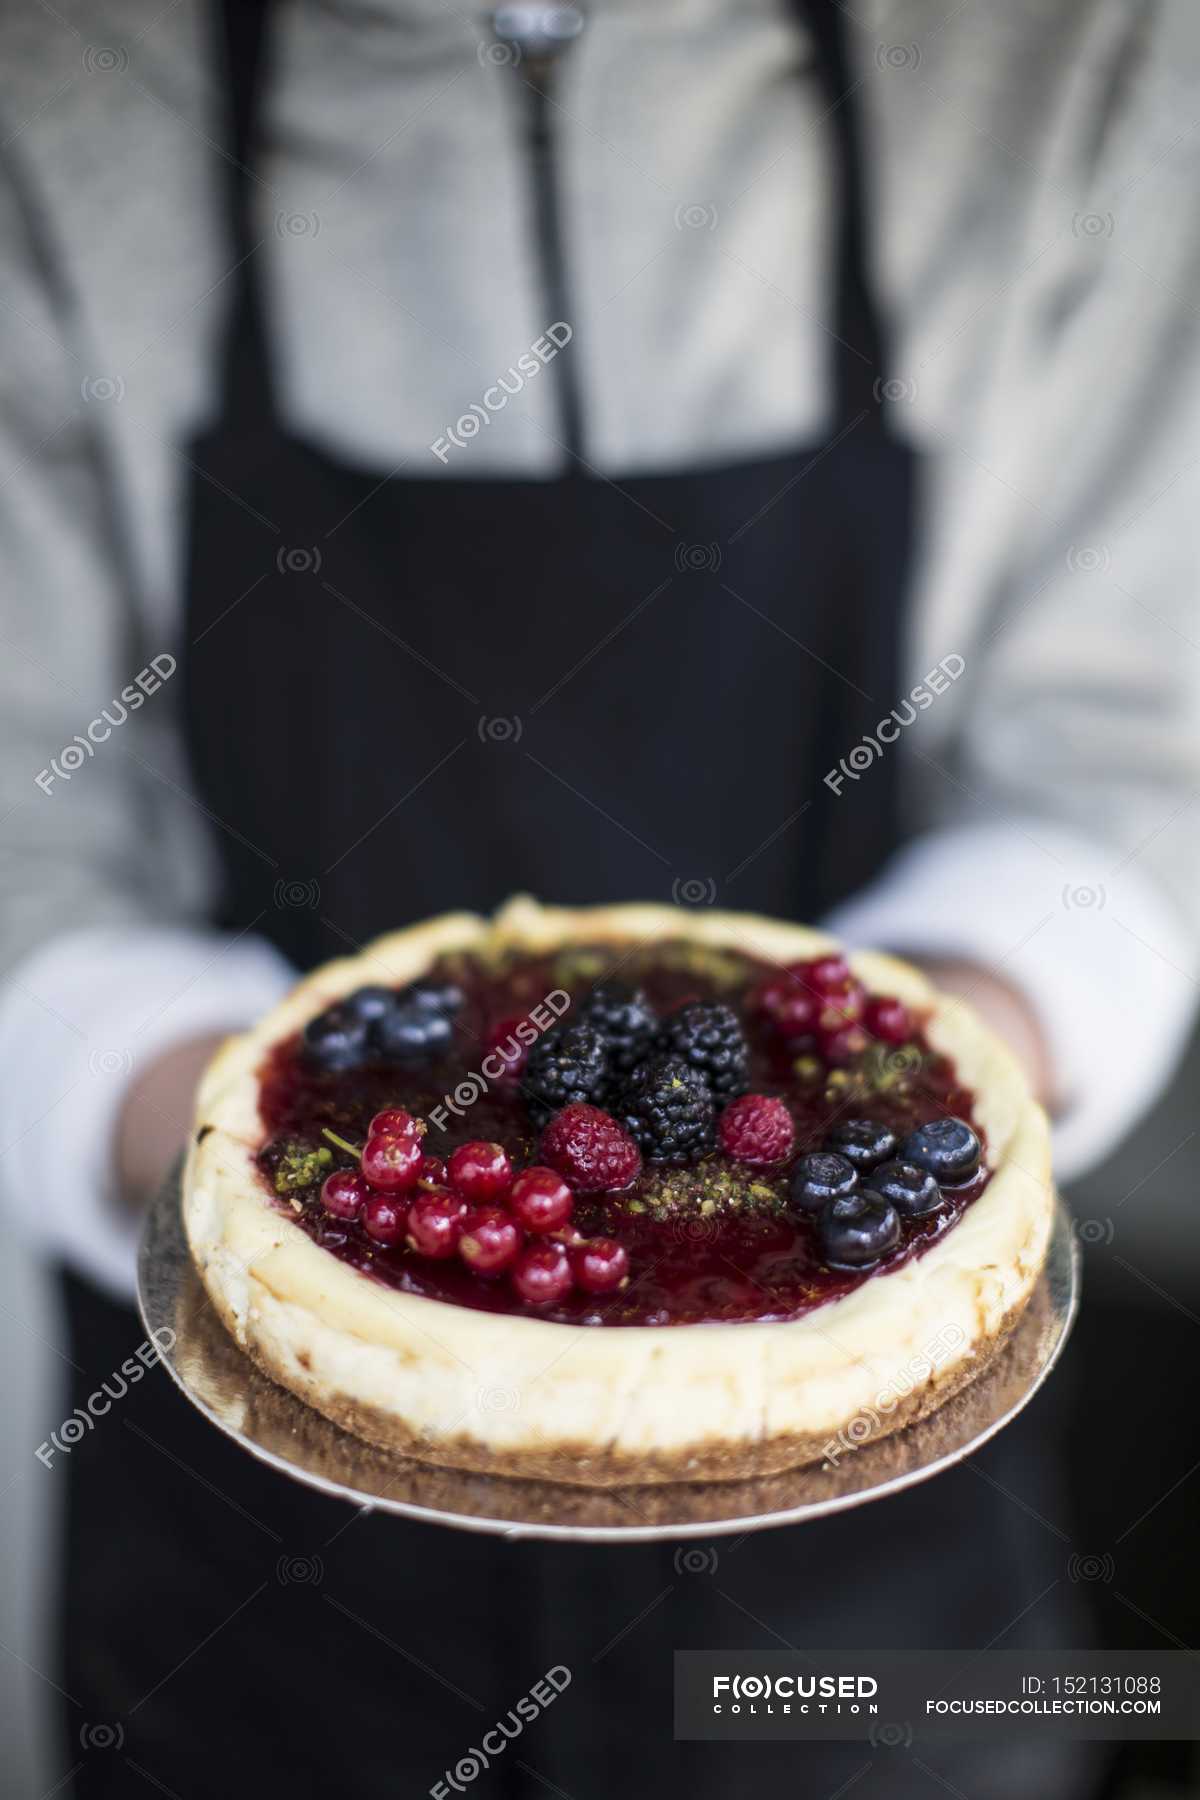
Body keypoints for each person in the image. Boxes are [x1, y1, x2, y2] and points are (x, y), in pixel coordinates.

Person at [1, 2, 1196, 1795]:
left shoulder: (1073, 47)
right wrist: (321, 1196)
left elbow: (1135, 760)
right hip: (259, 1622)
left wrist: (904, 1088)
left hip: (873, 1654)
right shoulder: (57, 70)